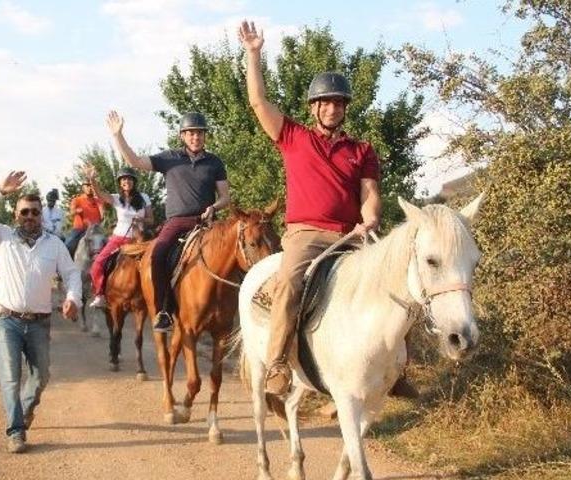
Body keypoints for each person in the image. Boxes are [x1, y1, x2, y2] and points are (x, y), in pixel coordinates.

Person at [239, 21, 383, 396]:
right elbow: (258, 102)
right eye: (326, 102)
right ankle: (277, 364)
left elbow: (369, 192)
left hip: (350, 234)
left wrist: (370, 219)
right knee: (288, 283)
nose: (333, 108)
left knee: (393, 278)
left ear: (345, 109)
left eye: (339, 103)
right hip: (306, 234)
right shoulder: (293, 137)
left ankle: (395, 366)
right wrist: (254, 54)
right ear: (314, 108)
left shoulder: (361, 150)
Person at [0, 170, 82, 454]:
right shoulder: (2, 237)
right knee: (10, 376)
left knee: (41, 376)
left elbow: (71, 274)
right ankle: (16, 431)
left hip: (39, 322)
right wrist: (0, 191)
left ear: (41, 216)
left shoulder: (54, 244)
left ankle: (25, 409)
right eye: (24, 212)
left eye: (34, 212)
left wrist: (72, 298)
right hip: (5, 319)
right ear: (16, 215)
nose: (29, 217)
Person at [106, 110, 231, 332]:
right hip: (177, 222)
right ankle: (164, 310)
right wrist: (118, 136)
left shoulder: (215, 162)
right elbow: (134, 161)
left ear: (205, 136)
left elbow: (225, 197)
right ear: (182, 136)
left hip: (206, 222)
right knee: (157, 254)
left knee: (234, 251)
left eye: (200, 133)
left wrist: (214, 207)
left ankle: (233, 307)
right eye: (191, 133)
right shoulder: (169, 159)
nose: (196, 137)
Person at [85, 165, 153, 309]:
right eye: (123, 179)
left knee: (156, 263)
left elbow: (151, 220)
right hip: (118, 239)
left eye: (129, 179)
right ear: (120, 183)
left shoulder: (144, 198)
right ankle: (100, 295)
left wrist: (140, 220)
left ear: (134, 181)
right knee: (97, 265)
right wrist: (92, 179)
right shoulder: (115, 198)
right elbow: (99, 194)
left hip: (138, 240)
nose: (126, 181)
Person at [64, 180, 104, 258]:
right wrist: (76, 211)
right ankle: (66, 265)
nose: (90, 188)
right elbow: (70, 213)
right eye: (87, 186)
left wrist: (102, 213)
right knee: (68, 245)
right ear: (83, 188)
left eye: (91, 185)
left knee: (107, 247)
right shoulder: (77, 200)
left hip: (94, 231)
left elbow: (102, 214)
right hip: (79, 230)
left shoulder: (97, 200)